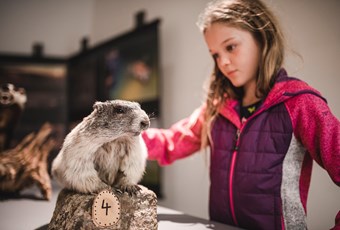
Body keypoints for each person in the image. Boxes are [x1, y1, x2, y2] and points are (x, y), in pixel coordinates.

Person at [141, 0, 340, 229]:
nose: (222, 62)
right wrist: (125, 136)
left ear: (261, 37)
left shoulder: (299, 103)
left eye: (231, 47)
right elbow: (172, 142)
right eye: (215, 54)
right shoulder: (217, 108)